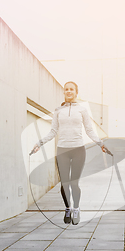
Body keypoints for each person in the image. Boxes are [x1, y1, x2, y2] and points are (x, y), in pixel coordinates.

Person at [31, 81, 107, 225]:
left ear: (76, 92)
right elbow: (53, 131)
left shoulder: (82, 110)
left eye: (71, 89)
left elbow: (89, 130)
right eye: (66, 89)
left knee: (74, 183)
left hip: (78, 149)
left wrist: (100, 143)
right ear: (64, 92)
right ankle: (68, 208)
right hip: (62, 150)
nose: (69, 91)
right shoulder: (58, 111)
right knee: (64, 184)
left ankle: (76, 209)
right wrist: (39, 143)